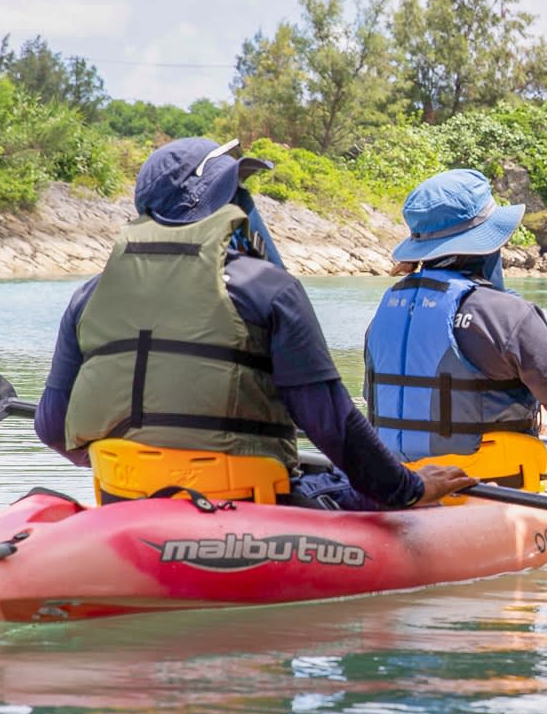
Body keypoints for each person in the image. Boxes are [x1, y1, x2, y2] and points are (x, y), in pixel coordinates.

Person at [34, 137, 469, 509]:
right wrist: (408, 488)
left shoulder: (90, 295)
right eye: (238, 188)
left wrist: (147, 461)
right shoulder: (268, 287)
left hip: (123, 495)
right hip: (245, 500)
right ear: (224, 201)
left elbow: (53, 428)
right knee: (351, 480)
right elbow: (331, 424)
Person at [362, 168, 547, 474]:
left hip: (396, 474)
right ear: (488, 242)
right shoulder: (507, 313)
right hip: (484, 478)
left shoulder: (385, 312)